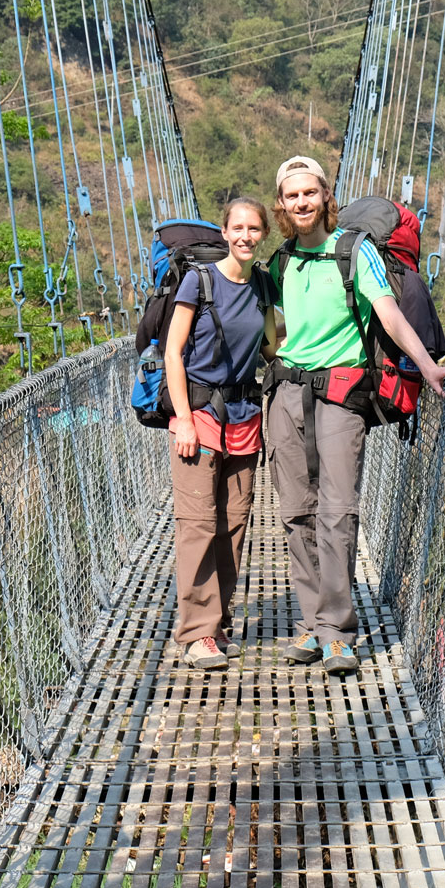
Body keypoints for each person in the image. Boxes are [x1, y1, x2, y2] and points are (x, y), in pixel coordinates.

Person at [264, 156, 445, 674]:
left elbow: (389, 315)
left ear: (326, 196)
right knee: (295, 513)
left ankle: (337, 630)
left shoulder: (354, 252)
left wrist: (428, 367)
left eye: (310, 193)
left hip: (340, 394)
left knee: (337, 510)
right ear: (282, 204)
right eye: (292, 196)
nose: (302, 202)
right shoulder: (282, 260)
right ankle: (311, 623)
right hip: (286, 394)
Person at [163, 197, 275, 671]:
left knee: (232, 527)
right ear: (225, 233)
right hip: (201, 414)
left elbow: (276, 344)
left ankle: (217, 622)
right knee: (198, 526)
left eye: (254, 229)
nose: (246, 236)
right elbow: (173, 351)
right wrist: (184, 418)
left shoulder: (265, 284)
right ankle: (195, 633)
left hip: (246, 415)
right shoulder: (200, 280)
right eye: (238, 228)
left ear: (263, 234)